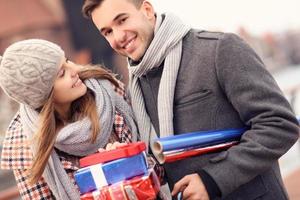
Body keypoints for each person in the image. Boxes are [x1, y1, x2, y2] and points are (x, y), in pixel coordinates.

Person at [82, 0, 300, 199]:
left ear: (147, 10)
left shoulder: (218, 49)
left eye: (122, 20)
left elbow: (280, 124)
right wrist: (126, 160)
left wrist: (212, 179)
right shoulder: (135, 88)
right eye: (107, 32)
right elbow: (160, 161)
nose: (118, 36)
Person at [0, 39, 137, 199]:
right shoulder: (25, 145)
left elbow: (156, 168)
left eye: (67, 61)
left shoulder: (106, 93)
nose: (74, 69)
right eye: (61, 74)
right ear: (44, 96)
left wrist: (126, 162)